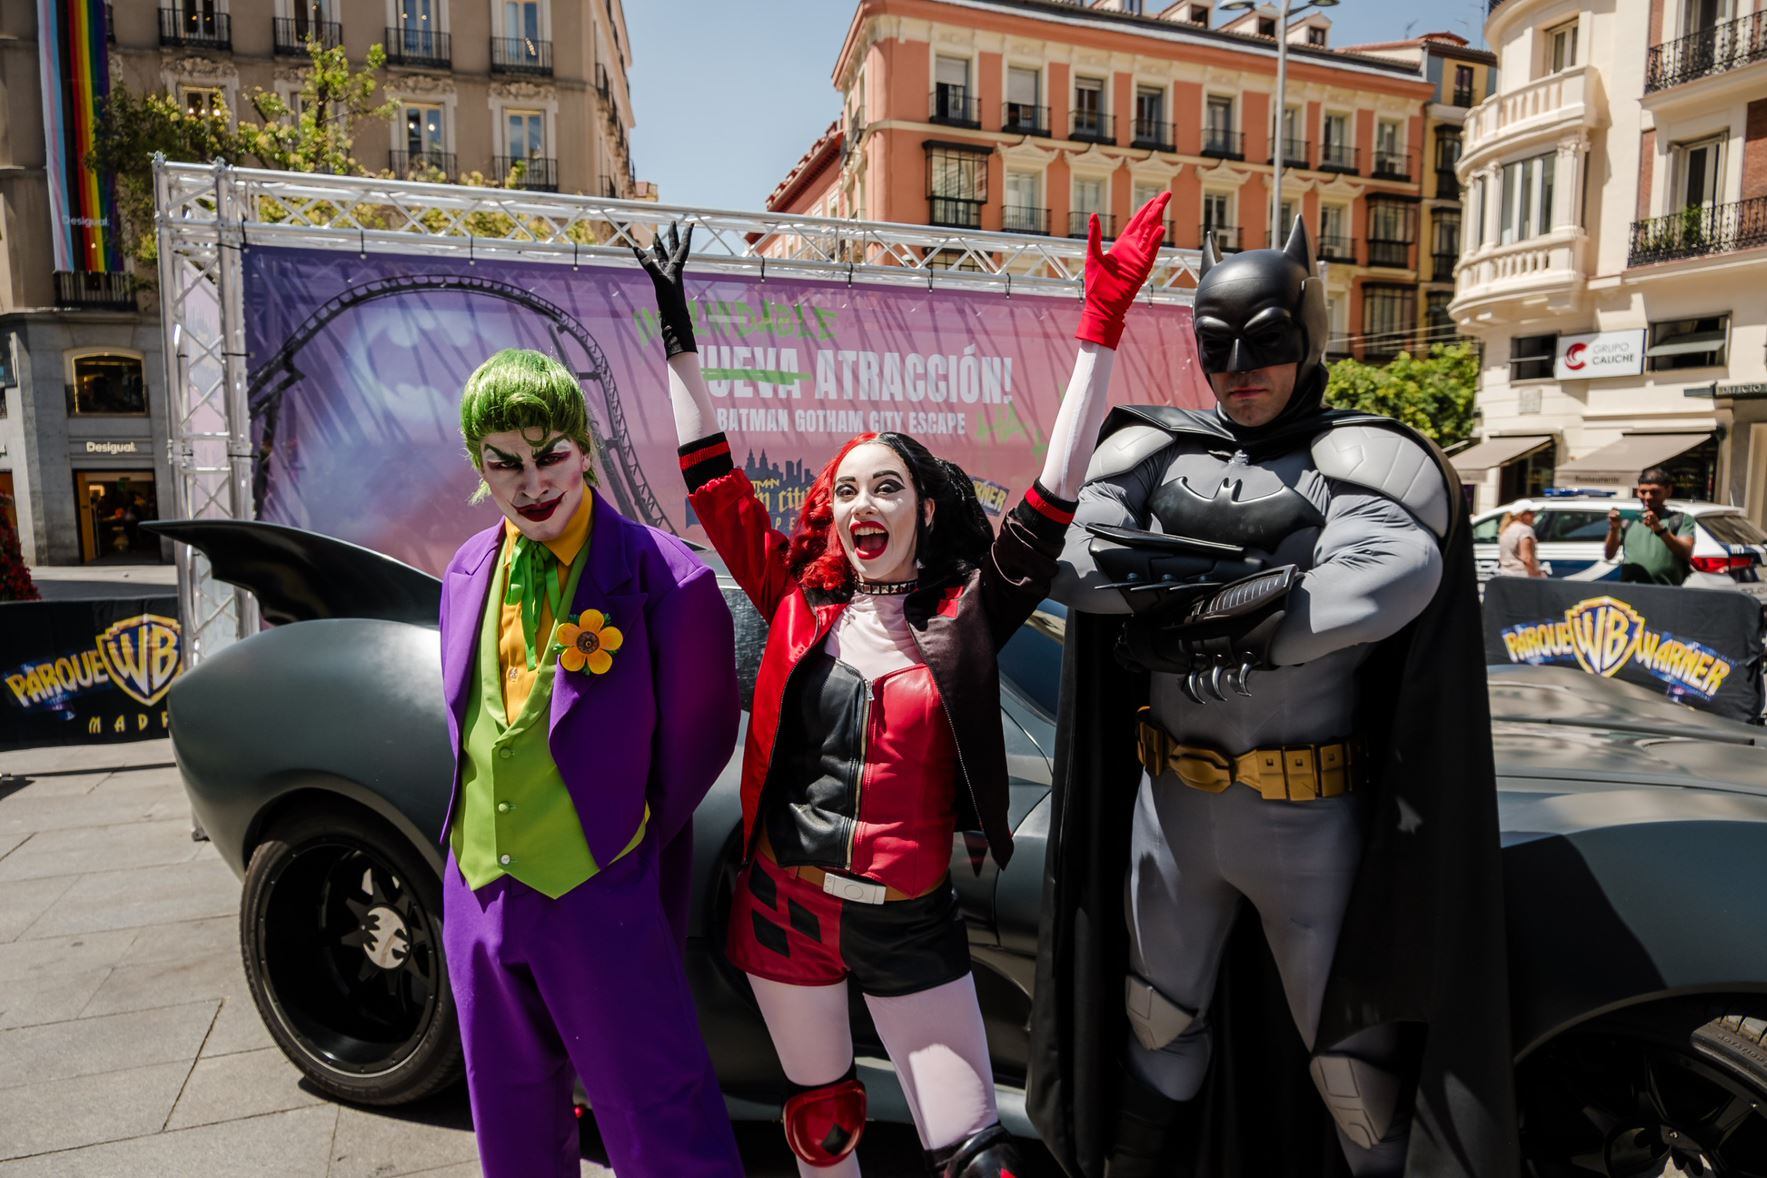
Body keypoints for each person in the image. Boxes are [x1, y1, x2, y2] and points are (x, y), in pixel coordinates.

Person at [635, 196, 1171, 1178]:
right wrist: (678, 340)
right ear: (827, 515)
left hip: (909, 917)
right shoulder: (795, 597)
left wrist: (1100, 330)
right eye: (845, 488)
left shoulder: (967, 614)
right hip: (786, 903)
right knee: (822, 1125)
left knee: (975, 1152)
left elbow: (1052, 501)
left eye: (884, 485)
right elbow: (711, 479)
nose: (862, 502)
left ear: (925, 503)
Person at [1029, 221, 1518, 1178]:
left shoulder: (1366, 458)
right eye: (1216, 345)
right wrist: (1248, 600)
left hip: (1307, 819)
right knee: (1153, 1025)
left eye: (1267, 338)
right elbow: (1074, 564)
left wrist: (1196, 612)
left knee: (1350, 1066)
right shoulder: (1152, 450)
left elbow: (1383, 581)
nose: (1240, 367)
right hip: (1169, 814)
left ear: (1311, 336)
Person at [436, 348, 744, 1177]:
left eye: (549, 456)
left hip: (598, 887)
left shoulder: (665, 578)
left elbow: (699, 740)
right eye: (504, 462)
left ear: (584, 448)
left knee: (657, 1115)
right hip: (476, 891)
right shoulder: (465, 569)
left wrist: (622, 837)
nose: (531, 482)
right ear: (479, 465)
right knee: (508, 1115)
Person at [1603, 467, 1694, 584]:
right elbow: (1609, 555)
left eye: (1654, 492)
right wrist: (1614, 528)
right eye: (1643, 492)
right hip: (1630, 591)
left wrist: (1660, 530)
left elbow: (1685, 552)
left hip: (1666, 593)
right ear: (1637, 491)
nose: (1648, 497)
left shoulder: (1680, 519)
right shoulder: (1629, 520)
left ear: (1668, 491)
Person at [1497, 500, 1544, 577]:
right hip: (1522, 575)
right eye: (1531, 513)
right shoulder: (1525, 530)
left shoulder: (1506, 528)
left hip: (1505, 574)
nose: (1534, 515)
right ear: (1521, 514)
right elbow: (1526, 558)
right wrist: (1536, 576)